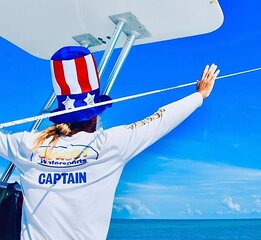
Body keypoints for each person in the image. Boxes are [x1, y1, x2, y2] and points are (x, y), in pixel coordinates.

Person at [0, 46, 220, 240]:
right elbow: (160, 119)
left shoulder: (27, 143)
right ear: (95, 116)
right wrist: (199, 95)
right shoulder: (110, 144)